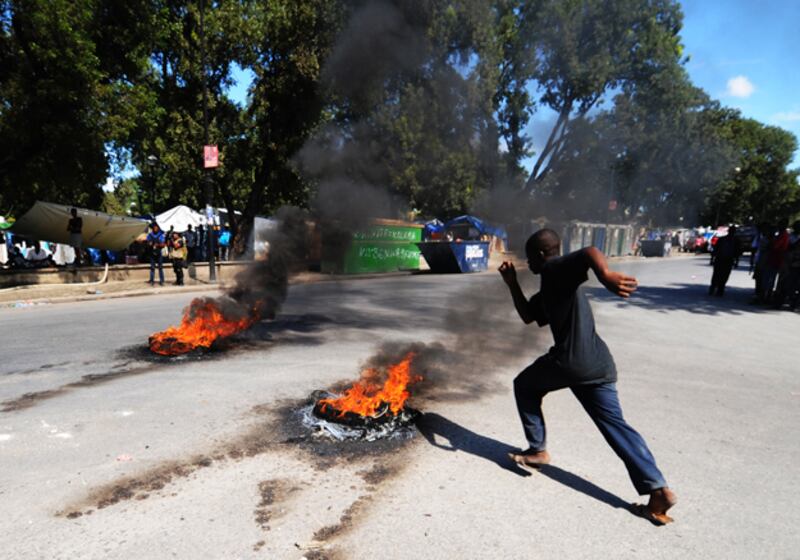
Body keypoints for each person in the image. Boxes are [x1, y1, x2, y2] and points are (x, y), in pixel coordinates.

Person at [499, 229, 676, 524]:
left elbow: (588, 252)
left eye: (529, 257)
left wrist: (605, 275)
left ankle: (538, 450)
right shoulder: (553, 285)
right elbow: (530, 315)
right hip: (599, 364)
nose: (526, 263)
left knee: (524, 385)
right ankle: (658, 489)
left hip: (570, 362)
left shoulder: (554, 269)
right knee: (615, 426)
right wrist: (512, 284)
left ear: (542, 254)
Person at [709, 225, 739, 296]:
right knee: (719, 274)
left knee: (722, 275)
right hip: (722, 259)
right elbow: (715, 250)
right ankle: (715, 288)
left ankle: (718, 289)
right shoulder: (722, 240)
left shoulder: (735, 241)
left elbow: (737, 252)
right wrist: (712, 259)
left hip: (726, 260)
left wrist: (736, 261)